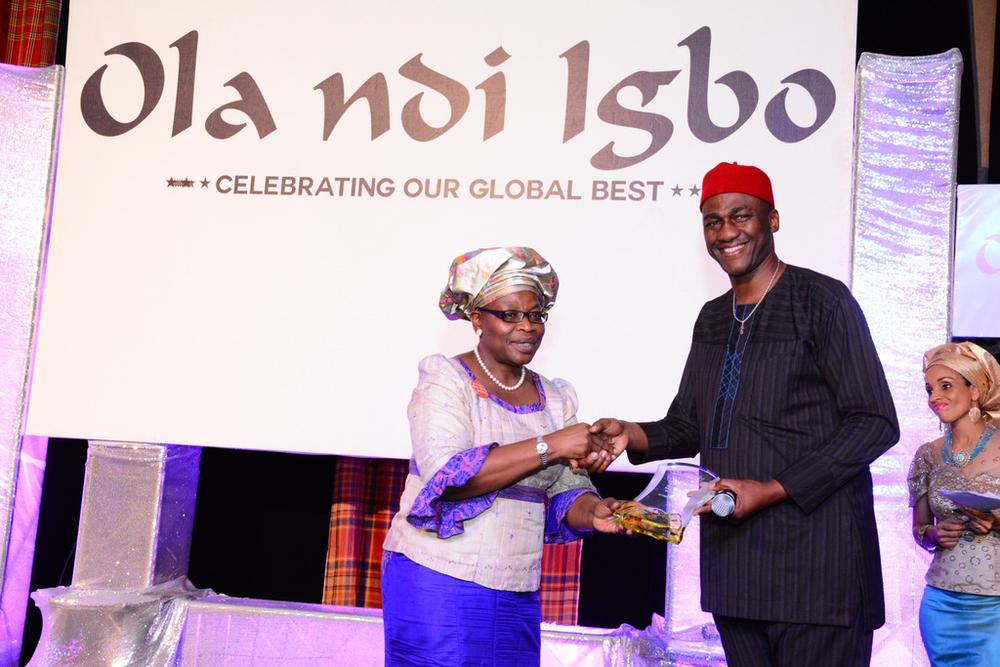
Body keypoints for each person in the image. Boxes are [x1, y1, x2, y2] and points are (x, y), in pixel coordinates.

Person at [588, 162, 899, 667]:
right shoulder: (713, 317)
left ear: (772, 220)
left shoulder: (822, 301)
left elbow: (875, 421)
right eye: (713, 221)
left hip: (820, 572)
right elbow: (690, 424)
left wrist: (773, 487)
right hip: (737, 573)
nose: (726, 232)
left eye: (741, 216)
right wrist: (631, 434)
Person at [381, 247, 621, 666]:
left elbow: (567, 488)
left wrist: (597, 511)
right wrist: (550, 446)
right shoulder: (445, 380)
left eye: (536, 315)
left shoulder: (555, 396)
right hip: (437, 579)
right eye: (509, 315)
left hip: (515, 588)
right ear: (477, 319)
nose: (527, 326)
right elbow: (449, 478)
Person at [908, 341, 1000, 666]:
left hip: (995, 605)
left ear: (974, 390)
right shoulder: (928, 455)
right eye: (930, 389)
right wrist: (932, 536)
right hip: (941, 603)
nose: (935, 397)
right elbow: (919, 529)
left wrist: (997, 522)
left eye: (945, 386)